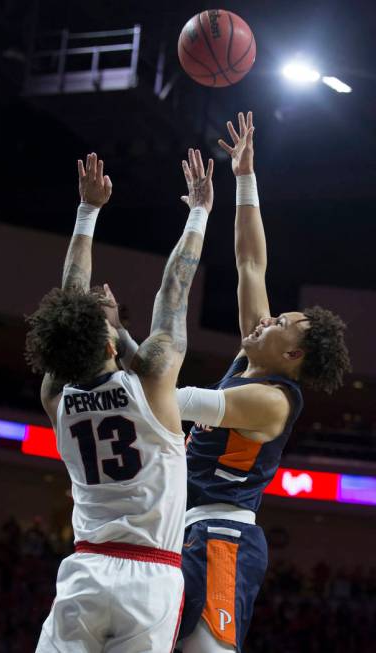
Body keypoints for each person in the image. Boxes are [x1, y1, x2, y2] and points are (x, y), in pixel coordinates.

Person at [25, 147, 215, 653]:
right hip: (150, 576)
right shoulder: (152, 380)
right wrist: (199, 210)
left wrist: (87, 213)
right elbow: (175, 286)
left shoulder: (54, 395)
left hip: (85, 570)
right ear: (111, 343)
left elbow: (69, 301)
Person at [176, 112, 351, 653]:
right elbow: (250, 262)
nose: (269, 319)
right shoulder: (253, 357)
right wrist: (244, 176)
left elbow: (174, 400)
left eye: (282, 323)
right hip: (179, 529)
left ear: (294, 354)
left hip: (222, 540)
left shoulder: (273, 401)